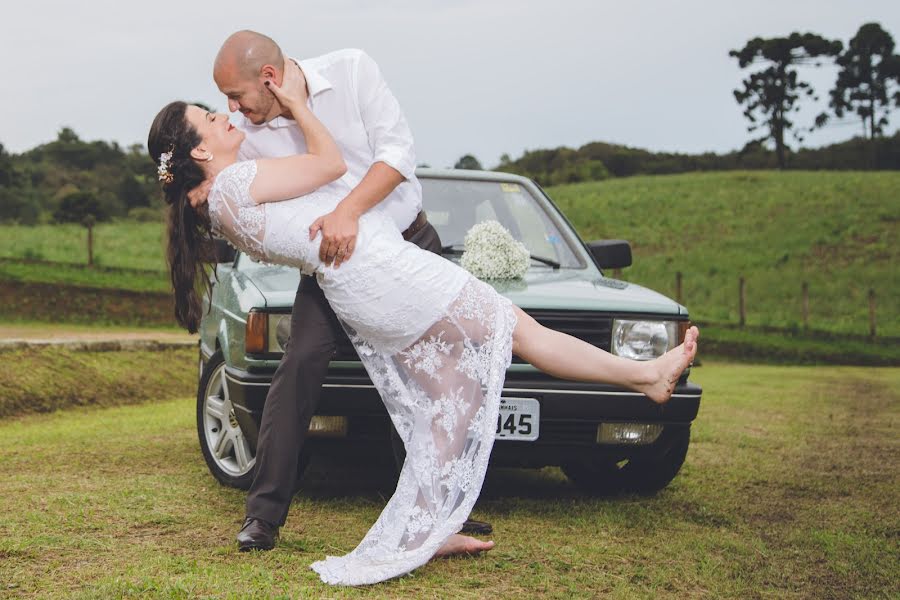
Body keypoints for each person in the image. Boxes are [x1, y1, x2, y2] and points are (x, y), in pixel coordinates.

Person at [148, 62, 699, 586]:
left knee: (446, 392)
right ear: (200, 147)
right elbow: (330, 163)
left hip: (366, 280)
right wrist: (296, 103)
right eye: (211, 118)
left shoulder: (216, 199)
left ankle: (428, 528)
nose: (225, 116)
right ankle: (643, 377)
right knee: (515, 331)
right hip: (382, 272)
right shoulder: (235, 185)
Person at [198, 31, 495, 550]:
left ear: (269, 78)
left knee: (439, 371)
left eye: (236, 95)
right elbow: (219, 184)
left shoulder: (352, 69)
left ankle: (439, 508)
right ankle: (263, 515)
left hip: (408, 240)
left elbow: (398, 154)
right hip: (333, 267)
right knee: (300, 364)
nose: (232, 108)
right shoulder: (248, 131)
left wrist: (348, 212)